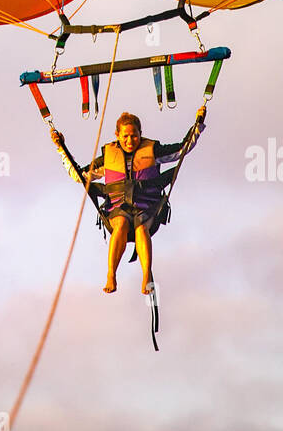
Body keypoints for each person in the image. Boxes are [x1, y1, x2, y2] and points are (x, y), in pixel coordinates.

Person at [51, 107, 206, 295]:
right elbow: (79, 175)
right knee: (122, 224)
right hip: (118, 207)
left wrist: (198, 123)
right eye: (125, 136)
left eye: (134, 136)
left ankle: (146, 274)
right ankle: (111, 274)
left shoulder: (153, 151)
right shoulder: (108, 157)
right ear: (117, 135)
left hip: (146, 206)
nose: (130, 141)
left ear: (140, 134)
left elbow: (181, 150)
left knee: (141, 227)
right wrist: (61, 148)